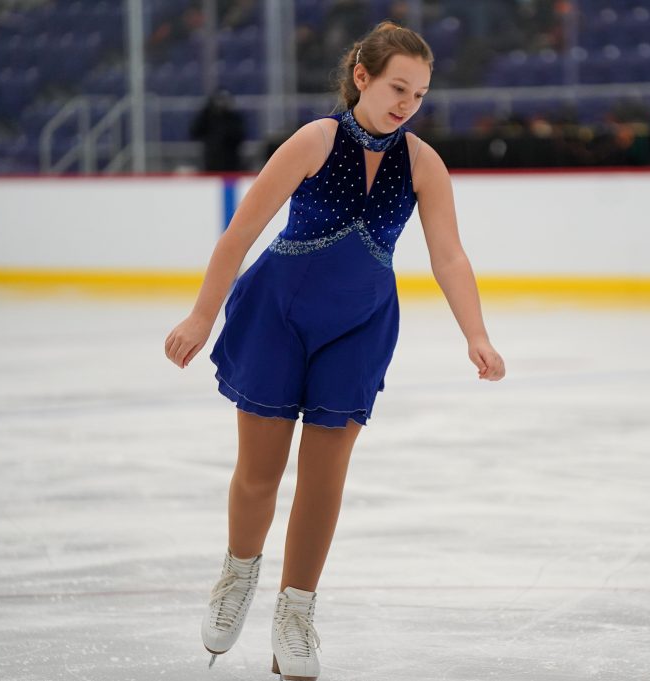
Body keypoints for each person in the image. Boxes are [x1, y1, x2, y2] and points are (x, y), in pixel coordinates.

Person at [163, 20, 506, 680]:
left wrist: (477, 333)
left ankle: (295, 612)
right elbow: (240, 233)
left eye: (420, 94)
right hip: (277, 318)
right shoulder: (315, 141)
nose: (407, 104)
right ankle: (237, 576)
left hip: (358, 326)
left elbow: (451, 256)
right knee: (260, 472)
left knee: (324, 477)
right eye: (397, 87)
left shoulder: (423, 163)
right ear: (362, 78)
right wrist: (203, 313)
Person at [190, 88, 246, 172]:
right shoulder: (208, 118)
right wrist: (206, 112)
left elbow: (239, 136)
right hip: (211, 164)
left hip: (231, 164)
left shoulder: (234, 119)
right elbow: (194, 132)